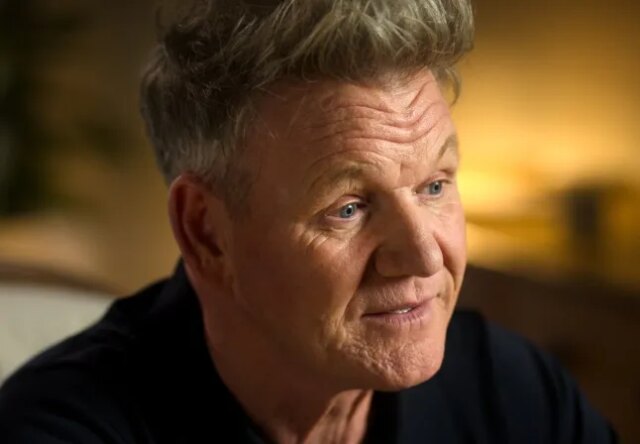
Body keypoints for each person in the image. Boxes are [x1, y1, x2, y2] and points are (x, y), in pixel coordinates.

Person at [0, 0, 617, 442]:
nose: (425, 256)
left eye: (434, 186)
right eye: (348, 208)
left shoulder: (510, 387)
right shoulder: (57, 428)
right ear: (207, 233)